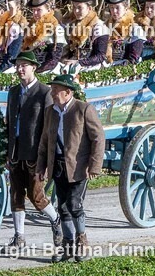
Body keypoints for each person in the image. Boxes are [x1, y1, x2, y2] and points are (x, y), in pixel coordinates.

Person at [36, 74, 105, 262]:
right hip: (57, 165)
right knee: (62, 207)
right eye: (52, 89)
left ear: (67, 92)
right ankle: (67, 246)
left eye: (56, 90)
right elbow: (45, 140)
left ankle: (82, 242)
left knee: (74, 204)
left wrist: (94, 166)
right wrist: (42, 166)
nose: (52, 92)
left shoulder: (84, 109)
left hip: (78, 167)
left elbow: (98, 138)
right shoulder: (51, 111)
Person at [4, 51, 62, 249]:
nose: (20, 69)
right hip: (15, 152)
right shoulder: (13, 92)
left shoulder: (44, 92)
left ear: (33, 68)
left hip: (34, 153)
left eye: (24, 66)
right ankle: (19, 236)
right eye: (18, 66)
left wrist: (45, 159)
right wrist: (7, 151)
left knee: (36, 196)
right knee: (15, 194)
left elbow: (49, 128)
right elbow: (9, 122)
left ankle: (56, 221)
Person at [63, 0, 109, 68]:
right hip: (72, 65)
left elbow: (100, 56)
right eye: (74, 7)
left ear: (89, 8)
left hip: (93, 67)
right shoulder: (71, 25)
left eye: (80, 8)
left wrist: (79, 62)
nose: (76, 11)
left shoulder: (99, 27)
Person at [21, 0, 65, 73]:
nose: (35, 13)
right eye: (34, 10)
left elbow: (54, 59)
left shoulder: (57, 28)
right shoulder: (30, 28)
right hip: (29, 68)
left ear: (48, 10)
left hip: (48, 70)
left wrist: (36, 71)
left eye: (39, 10)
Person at [104, 0, 145, 65]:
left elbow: (132, 60)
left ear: (126, 8)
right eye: (111, 8)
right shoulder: (105, 26)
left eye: (117, 7)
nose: (114, 11)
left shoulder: (135, 29)